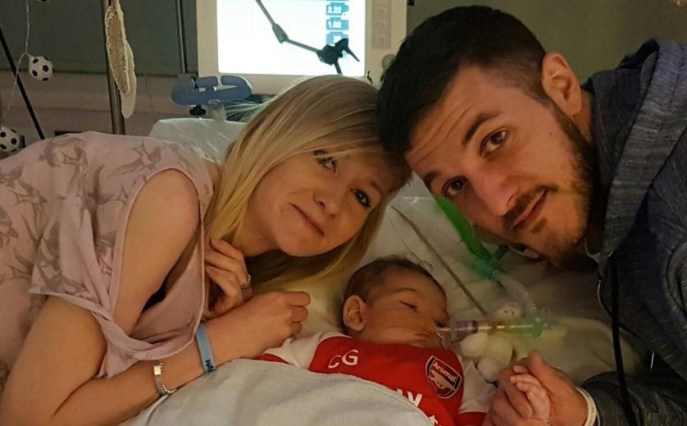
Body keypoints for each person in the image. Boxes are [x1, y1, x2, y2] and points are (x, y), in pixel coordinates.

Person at [377, 5, 687, 426]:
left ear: (561, 86)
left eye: (495, 139)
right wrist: (585, 411)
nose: (496, 205)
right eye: (456, 185)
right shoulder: (623, 171)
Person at [0, 75, 411, 425]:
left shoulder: (224, 268)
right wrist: (213, 345)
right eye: (325, 159)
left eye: (362, 196)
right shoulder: (170, 198)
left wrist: (204, 324)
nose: (333, 202)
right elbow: (29, 418)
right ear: (276, 132)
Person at [260, 256, 551, 426]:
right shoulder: (327, 346)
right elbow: (263, 379)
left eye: (441, 323)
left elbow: (487, 418)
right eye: (410, 306)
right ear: (357, 314)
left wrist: (525, 406)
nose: (430, 326)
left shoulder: (456, 369)